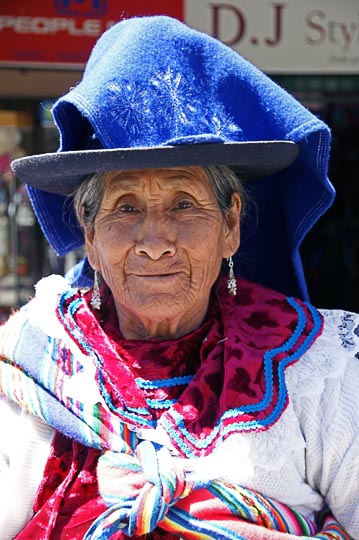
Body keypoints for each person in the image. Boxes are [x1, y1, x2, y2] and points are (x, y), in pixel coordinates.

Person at [0, 14, 358, 540]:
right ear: (91, 236)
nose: (155, 238)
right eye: (125, 208)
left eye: (184, 203)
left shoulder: (319, 366)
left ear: (230, 226)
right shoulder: (31, 362)